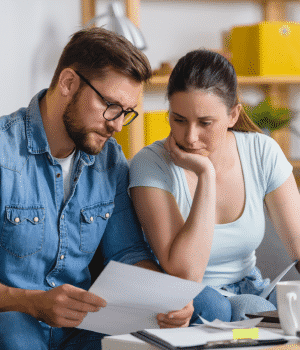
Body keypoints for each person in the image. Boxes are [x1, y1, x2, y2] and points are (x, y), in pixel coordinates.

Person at [0, 27, 196, 350]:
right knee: (14, 330)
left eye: (127, 113)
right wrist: (33, 302)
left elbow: (127, 252)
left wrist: (163, 298)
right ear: (68, 83)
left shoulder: (110, 161)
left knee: (160, 336)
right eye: (111, 106)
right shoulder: (6, 153)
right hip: (15, 320)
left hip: (80, 329)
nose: (117, 124)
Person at [129, 49, 300, 322]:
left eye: (205, 123)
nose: (190, 137)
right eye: (178, 120)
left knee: (276, 302)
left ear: (233, 115)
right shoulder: (150, 165)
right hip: (188, 297)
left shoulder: (262, 151)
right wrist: (206, 174)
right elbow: (184, 274)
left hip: (249, 288)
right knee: (219, 307)